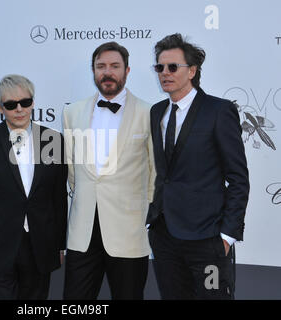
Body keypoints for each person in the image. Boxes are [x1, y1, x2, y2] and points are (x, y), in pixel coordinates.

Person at [146, 33, 250, 299]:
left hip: (208, 239)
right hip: (165, 235)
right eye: (159, 67)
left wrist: (227, 236)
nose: (164, 73)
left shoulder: (218, 110)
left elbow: (238, 178)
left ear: (192, 70)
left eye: (172, 67)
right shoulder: (157, 112)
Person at [62, 42, 155, 299]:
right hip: (82, 232)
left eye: (115, 66)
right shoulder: (72, 112)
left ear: (127, 70)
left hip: (128, 230)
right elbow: (71, 168)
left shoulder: (149, 113)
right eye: (101, 66)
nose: (107, 72)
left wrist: (144, 212)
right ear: (93, 71)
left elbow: (154, 171)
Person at [0, 74, 68, 300]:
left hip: (41, 245)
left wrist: (60, 245)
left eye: (26, 102)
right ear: (1, 108)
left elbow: (58, 197)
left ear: (33, 102)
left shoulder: (53, 140)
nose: (19, 109)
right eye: (11, 105)